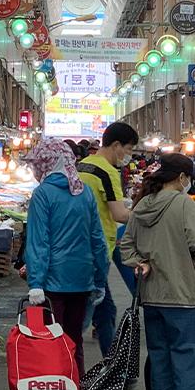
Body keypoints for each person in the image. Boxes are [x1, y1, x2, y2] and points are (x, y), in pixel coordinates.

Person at [119, 153, 195, 390]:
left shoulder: (142, 203)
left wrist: (141, 263)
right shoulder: (183, 203)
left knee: (160, 362)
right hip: (181, 295)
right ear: (181, 177)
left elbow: (126, 246)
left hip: (151, 297)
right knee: (187, 364)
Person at [23, 138, 110, 378]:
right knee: (74, 340)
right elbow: (98, 240)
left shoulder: (43, 194)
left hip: (52, 282)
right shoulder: (85, 192)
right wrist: (100, 278)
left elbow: (39, 242)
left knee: (50, 340)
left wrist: (36, 283)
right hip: (82, 280)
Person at [77, 121, 139, 356]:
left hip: (81, 246)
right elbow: (120, 214)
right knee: (91, 313)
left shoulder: (83, 166)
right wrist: (149, 217)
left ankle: (111, 364)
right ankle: (105, 366)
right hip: (98, 249)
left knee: (101, 310)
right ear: (116, 145)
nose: (129, 156)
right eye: (129, 149)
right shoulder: (107, 171)